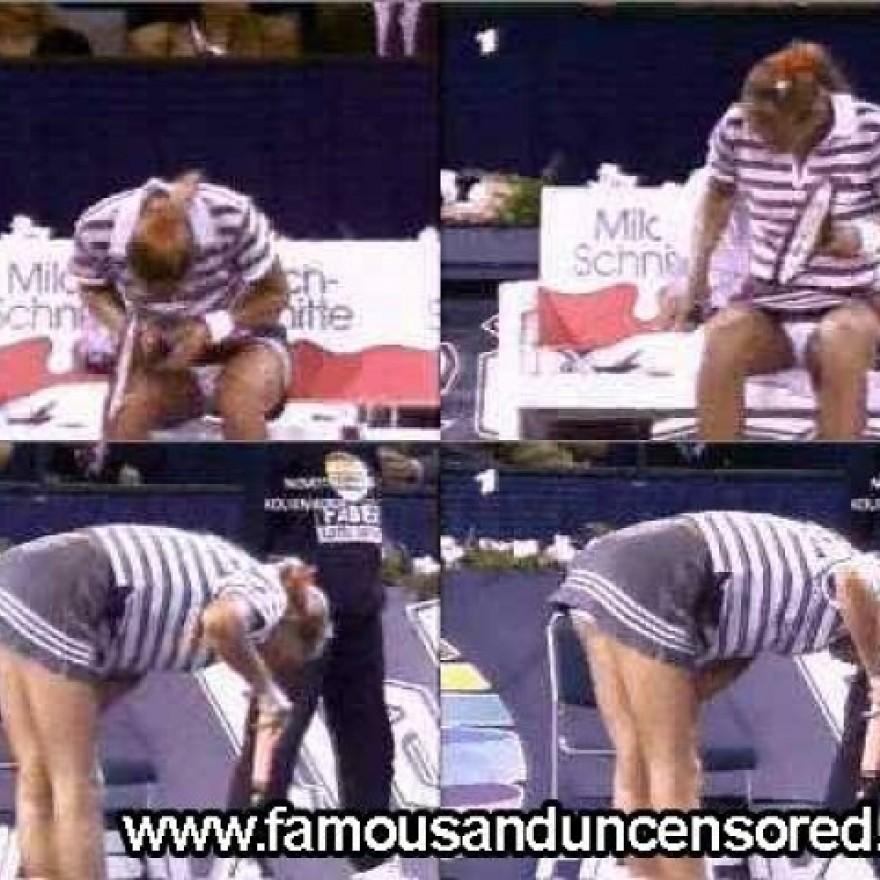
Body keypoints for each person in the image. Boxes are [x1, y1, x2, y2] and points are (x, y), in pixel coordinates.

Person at [552, 510, 880, 880]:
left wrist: (675, 708)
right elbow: (851, 581)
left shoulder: (779, 614)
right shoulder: (863, 575)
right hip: (659, 572)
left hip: (600, 575)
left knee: (637, 757)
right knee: (675, 768)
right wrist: (878, 680)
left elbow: (712, 676)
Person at [0, 524, 329, 880]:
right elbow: (221, 621)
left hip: (16, 574)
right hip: (70, 580)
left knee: (38, 770)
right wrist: (266, 690)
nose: (276, 666)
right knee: (77, 781)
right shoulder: (271, 593)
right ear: (293, 624)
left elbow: (118, 676)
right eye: (288, 658)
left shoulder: (173, 636)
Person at [224, 445, 422, 880]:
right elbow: (254, 531)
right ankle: (242, 858)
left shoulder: (364, 449)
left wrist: (408, 466)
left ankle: (373, 860)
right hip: (299, 611)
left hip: (360, 612)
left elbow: (357, 514)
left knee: (368, 738)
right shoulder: (287, 446)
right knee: (276, 734)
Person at [677, 41, 880, 441]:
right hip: (768, 304)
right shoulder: (736, 125)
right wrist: (696, 283)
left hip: (852, 302)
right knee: (723, 338)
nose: (761, 141)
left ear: (815, 112)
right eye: (755, 129)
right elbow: (718, 198)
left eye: (772, 135)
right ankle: (721, 469)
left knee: (840, 342)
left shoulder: (870, 130)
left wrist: (858, 237)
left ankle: (836, 474)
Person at [70, 171, 292, 441]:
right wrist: (128, 327)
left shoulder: (232, 215)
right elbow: (93, 289)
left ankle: (256, 470)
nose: (170, 301)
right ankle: (135, 469)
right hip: (168, 357)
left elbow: (276, 293)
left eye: (175, 288)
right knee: (126, 412)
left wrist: (211, 328)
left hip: (246, 345)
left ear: (195, 252)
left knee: (237, 397)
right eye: (153, 290)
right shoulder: (97, 226)